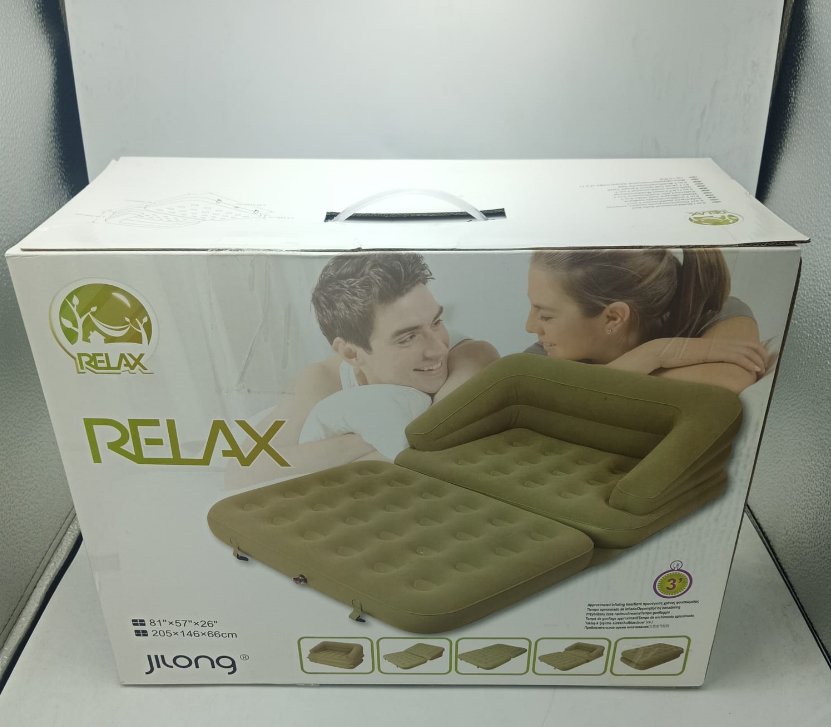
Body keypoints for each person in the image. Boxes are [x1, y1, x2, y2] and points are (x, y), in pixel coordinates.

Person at [227, 252, 497, 486]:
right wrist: (367, 439)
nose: (438, 349)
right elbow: (242, 468)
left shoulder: (471, 357)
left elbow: (427, 441)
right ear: (351, 353)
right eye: (408, 338)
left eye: (436, 322)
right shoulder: (323, 380)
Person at [525, 248, 768, 393]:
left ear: (613, 318)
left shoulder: (715, 313)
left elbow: (729, 380)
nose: (530, 327)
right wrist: (652, 355)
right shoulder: (544, 354)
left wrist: (597, 383)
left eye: (545, 315)